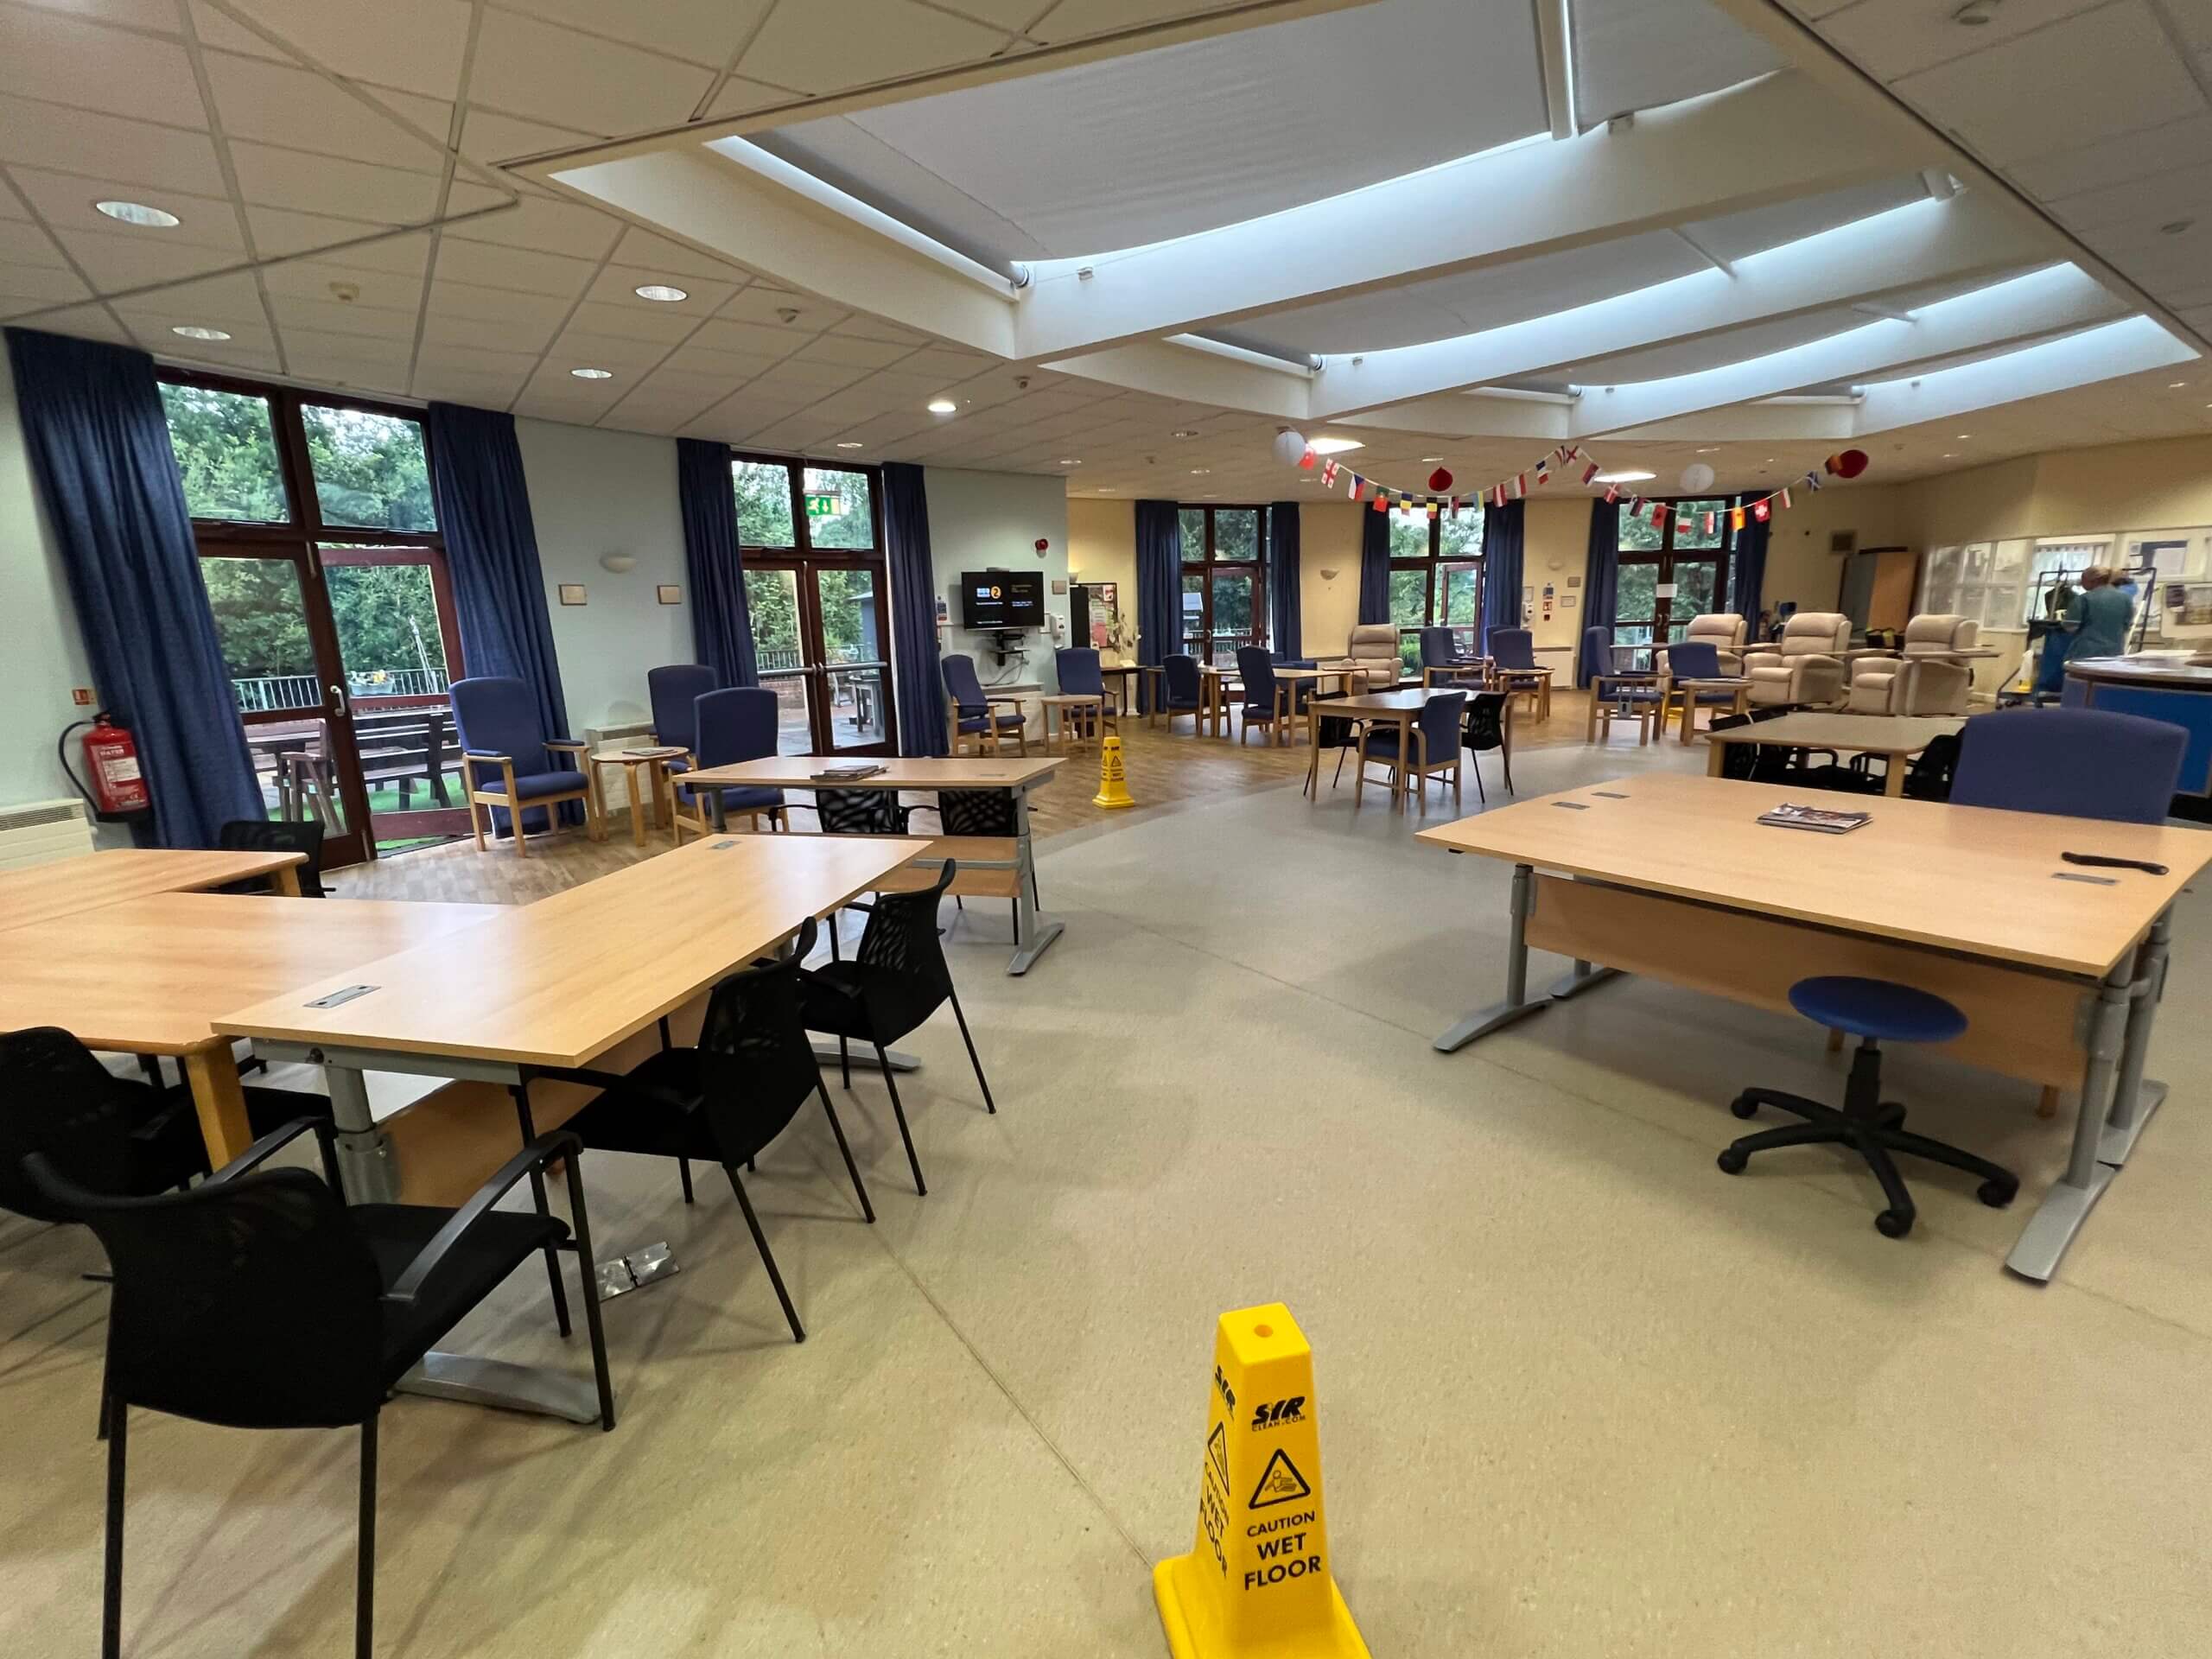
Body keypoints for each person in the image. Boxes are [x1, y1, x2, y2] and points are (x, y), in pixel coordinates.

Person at [2063, 565, 2135, 661]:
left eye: (2083, 580)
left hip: (2086, 653)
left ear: (2093, 580)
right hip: (2114, 654)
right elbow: (2127, 626)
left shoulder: (2084, 599)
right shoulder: (2126, 599)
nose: (2081, 583)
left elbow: (2070, 627)